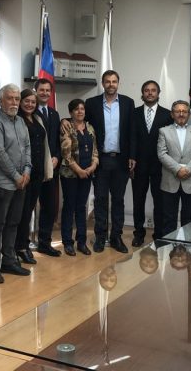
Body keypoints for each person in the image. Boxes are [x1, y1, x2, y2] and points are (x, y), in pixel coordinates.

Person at [0, 84, 32, 284]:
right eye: (10, 98)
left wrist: (27, 172)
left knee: (13, 223)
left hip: (21, 181)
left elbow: (27, 147)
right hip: (2, 183)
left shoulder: (20, 121)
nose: (14, 102)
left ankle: (9, 261)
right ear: (1, 100)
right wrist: (15, 175)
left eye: (17, 98)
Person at [84, 70, 135, 253]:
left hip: (121, 160)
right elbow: (83, 126)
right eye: (108, 81)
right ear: (103, 83)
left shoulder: (128, 103)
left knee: (118, 200)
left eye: (114, 81)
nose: (111, 84)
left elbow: (132, 131)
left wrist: (132, 156)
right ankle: (100, 237)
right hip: (100, 160)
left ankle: (116, 237)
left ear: (118, 83)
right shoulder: (92, 103)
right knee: (100, 199)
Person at [130, 80, 172, 247]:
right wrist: (131, 157)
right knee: (138, 201)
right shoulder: (134, 113)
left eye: (153, 90)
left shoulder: (167, 114)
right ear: (142, 93)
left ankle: (159, 234)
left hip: (160, 166)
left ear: (158, 93)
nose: (149, 93)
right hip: (138, 164)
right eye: (146, 90)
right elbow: (131, 137)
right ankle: (138, 234)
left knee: (160, 202)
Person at [157, 100, 191, 238]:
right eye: (177, 111)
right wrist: (177, 169)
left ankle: (187, 246)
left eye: (184, 111)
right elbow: (162, 153)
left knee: (190, 218)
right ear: (172, 114)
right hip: (170, 181)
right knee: (168, 218)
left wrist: (188, 170)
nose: (181, 114)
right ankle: (168, 246)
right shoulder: (164, 131)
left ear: (189, 114)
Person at [15, 88, 53, 264]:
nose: (30, 104)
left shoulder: (38, 118)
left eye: (33, 102)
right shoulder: (17, 119)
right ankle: (19, 247)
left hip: (37, 173)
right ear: (20, 102)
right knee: (21, 212)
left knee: (29, 210)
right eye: (26, 101)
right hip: (24, 173)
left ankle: (24, 244)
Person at [59, 98, 99, 256]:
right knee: (69, 207)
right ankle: (67, 242)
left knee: (82, 207)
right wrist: (79, 170)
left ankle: (81, 241)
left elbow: (95, 150)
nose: (80, 111)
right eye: (76, 109)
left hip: (87, 174)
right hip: (70, 175)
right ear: (71, 112)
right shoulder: (67, 127)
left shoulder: (90, 127)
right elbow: (66, 154)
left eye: (82, 109)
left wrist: (93, 166)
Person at [34, 78, 63, 258]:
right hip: (34, 169)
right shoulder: (29, 111)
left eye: (47, 90)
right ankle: (22, 246)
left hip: (52, 168)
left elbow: (57, 140)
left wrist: (57, 157)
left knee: (50, 207)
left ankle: (44, 243)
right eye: (41, 90)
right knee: (27, 209)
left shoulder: (54, 114)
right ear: (36, 91)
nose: (45, 93)